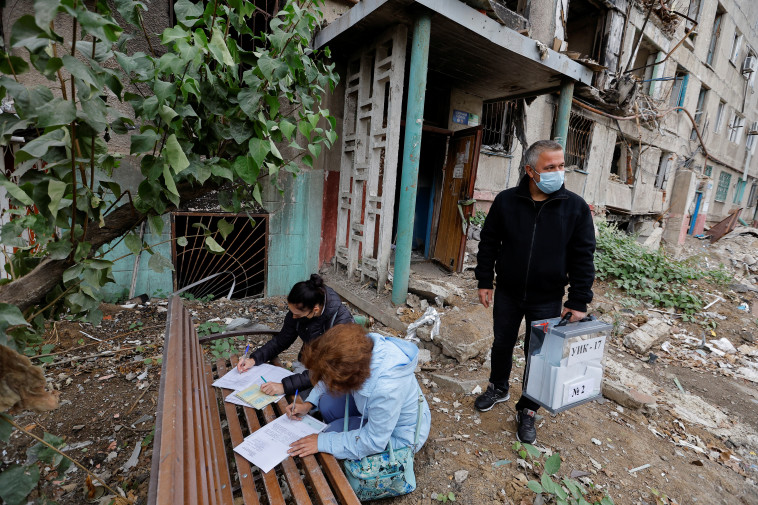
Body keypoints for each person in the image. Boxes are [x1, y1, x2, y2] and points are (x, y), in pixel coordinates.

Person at [473, 139, 595, 444]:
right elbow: (488, 243)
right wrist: (485, 280)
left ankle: (528, 408)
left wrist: (578, 300)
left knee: (538, 355)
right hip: (508, 293)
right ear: (530, 170)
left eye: (560, 165)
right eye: (549, 167)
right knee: (502, 342)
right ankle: (498, 386)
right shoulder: (506, 201)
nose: (558, 172)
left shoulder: (575, 208)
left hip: (548, 298)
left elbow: (583, 256)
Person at [286, 323, 431, 461]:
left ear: (351, 377)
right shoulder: (362, 348)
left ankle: (345, 437)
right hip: (377, 409)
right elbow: (330, 372)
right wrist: (309, 403)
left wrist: (322, 441)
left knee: (330, 433)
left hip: (399, 435)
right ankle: (349, 429)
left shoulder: (387, 389)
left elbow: (374, 441)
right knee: (327, 404)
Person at [236, 274, 353, 397]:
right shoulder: (301, 310)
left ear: (316, 309)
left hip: (334, 374)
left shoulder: (341, 323)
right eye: (291, 311)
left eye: (297, 314)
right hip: (310, 364)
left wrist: (284, 386)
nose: (293, 317)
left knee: (300, 399)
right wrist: (253, 359)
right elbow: (281, 341)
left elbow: (329, 370)